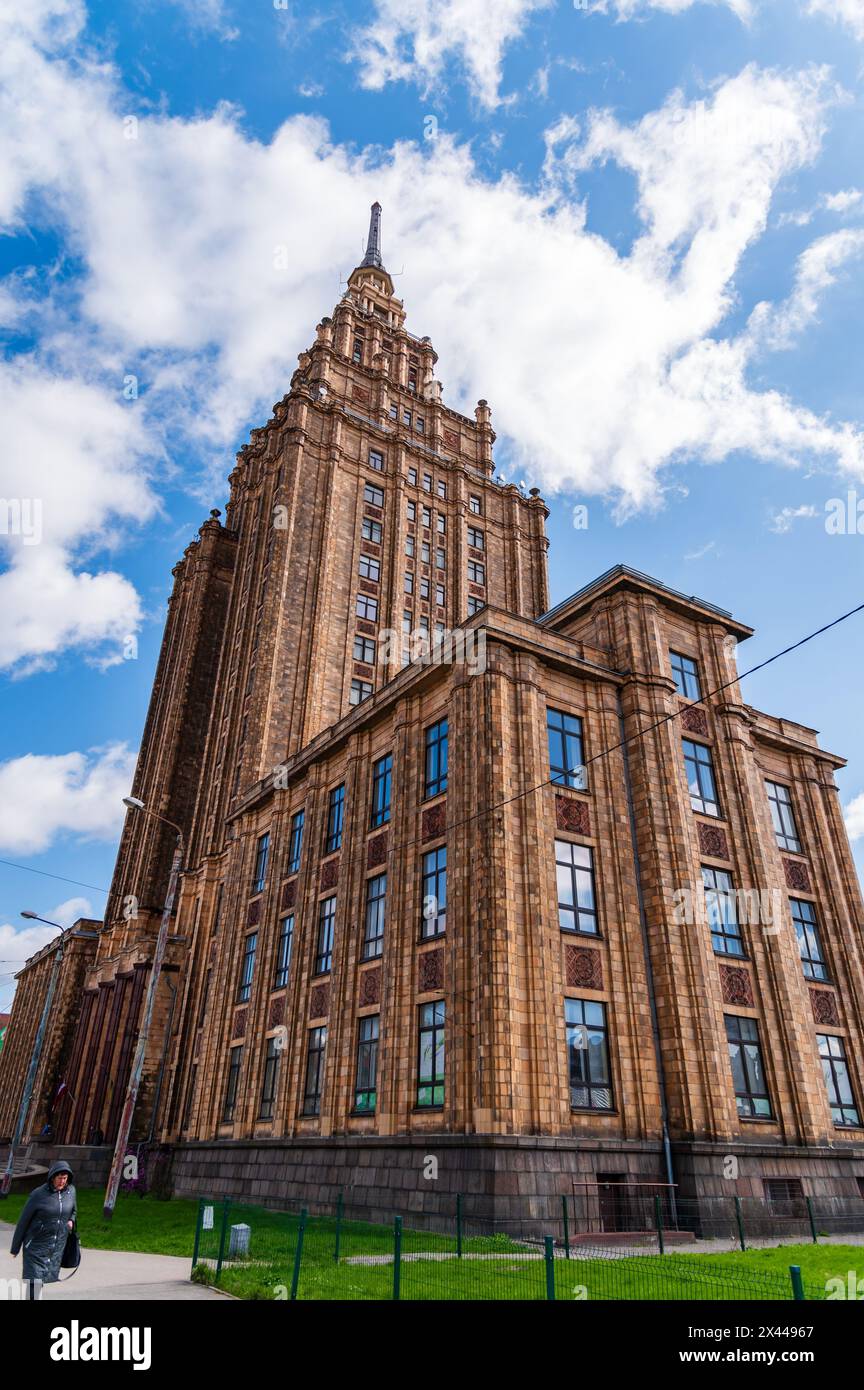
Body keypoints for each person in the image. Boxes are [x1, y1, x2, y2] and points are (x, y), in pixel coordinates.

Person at [9, 1159, 77, 1300]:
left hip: (54, 1246)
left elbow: (73, 1210)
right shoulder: (38, 1194)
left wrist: (71, 1220)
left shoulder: (71, 1192)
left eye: (65, 1178)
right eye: (59, 1178)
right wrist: (15, 1247)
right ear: (52, 1177)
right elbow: (23, 1221)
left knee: (40, 1280)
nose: (62, 1181)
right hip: (35, 1246)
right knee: (34, 1281)